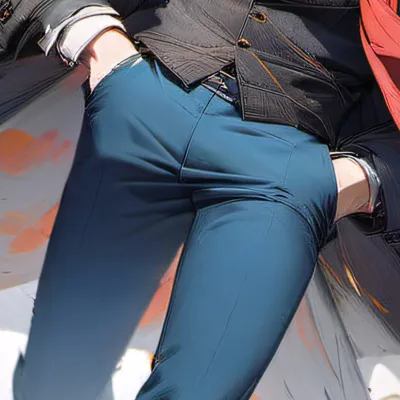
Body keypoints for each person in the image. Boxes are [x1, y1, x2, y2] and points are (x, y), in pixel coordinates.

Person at [1, 0, 395, 399]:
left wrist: (356, 177)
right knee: (57, 373)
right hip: (149, 92)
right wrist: (96, 39)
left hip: (285, 164)